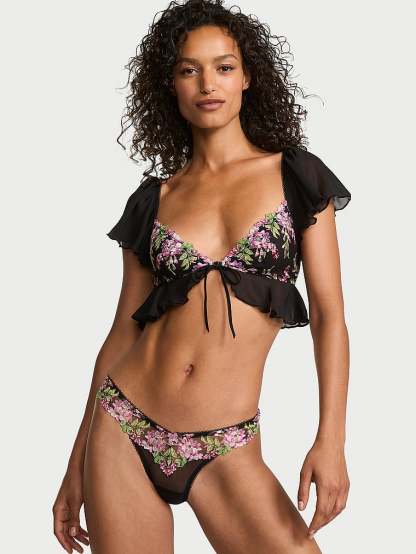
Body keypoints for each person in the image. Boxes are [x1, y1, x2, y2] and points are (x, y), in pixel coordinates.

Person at [52, 1, 351, 552]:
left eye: (224, 67)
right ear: (171, 85)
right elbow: (121, 332)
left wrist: (330, 439)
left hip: (226, 442)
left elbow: (330, 316)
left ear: (247, 77)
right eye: (189, 69)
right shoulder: (154, 199)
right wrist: (76, 466)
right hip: (123, 425)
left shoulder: (296, 177)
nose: (207, 84)